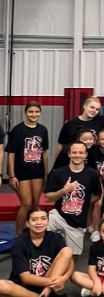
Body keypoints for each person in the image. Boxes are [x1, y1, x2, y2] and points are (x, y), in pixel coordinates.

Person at [0, 207, 74, 297]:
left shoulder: (56, 238)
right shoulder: (19, 244)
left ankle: (44, 296)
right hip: (21, 289)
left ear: (48, 221)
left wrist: (64, 278)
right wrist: (54, 283)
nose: (39, 223)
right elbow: (26, 278)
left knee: (67, 251)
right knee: (1, 286)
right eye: (34, 220)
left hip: (46, 283)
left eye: (43, 218)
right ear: (27, 223)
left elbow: (69, 262)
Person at [43, 141, 103, 256]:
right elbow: (47, 197)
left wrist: (83, 202)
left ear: (86, 155)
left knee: (72, 256)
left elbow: (97, 195)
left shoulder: (93, 174)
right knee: (42, 224)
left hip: (77, 223)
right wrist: (64, 191)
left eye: (81, 152)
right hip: (58, 216)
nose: (77, 155)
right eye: (74, 152)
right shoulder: (58, 173)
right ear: (69, 154)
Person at [7, 100, 50, 236]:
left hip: (37, 172)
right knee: (26, 204)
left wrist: (46, 173)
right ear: (25, 113)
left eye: (36, 112)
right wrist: (12, 175)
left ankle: (33, 231)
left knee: (35, 204)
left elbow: (44, 153)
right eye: (31, 111)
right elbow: (11, 154)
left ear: (40, 113)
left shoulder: (42, 129)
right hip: (21, 172)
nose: (34, 114)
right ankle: (19, 234)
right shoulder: (17, 130)